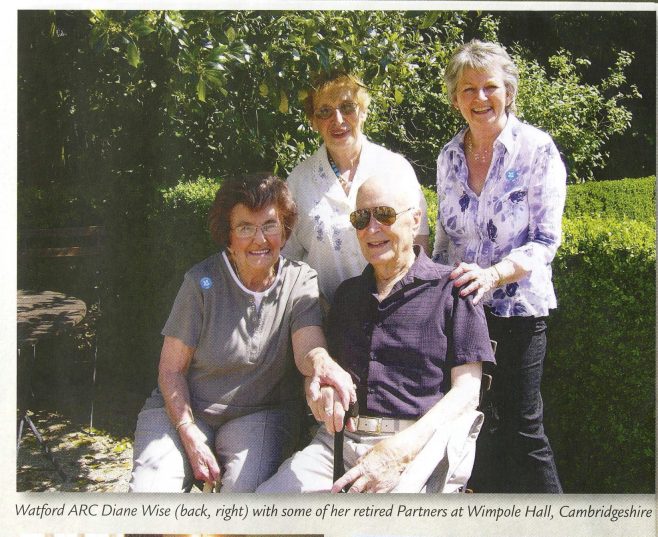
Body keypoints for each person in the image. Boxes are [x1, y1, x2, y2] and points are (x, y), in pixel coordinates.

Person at [257, 173, 495, 493]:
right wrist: (320, 392)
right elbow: (327, 373)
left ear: (414, 220)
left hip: (417, 449)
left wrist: (399, 450)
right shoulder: (348, 295)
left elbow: (467, 392)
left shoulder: (454, 290)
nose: (371, 229)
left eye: (384, 215)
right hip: (337, 445)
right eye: (361, 218)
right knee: (267, 508)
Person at [129, 173, 353, 493]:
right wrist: (188, 432)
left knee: (241, 506)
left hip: (259, 414)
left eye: (270, 225)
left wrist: (321, 364)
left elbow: (308, 347)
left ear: (285, 230)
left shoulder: (300, 279)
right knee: (150, 499)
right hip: (182, 411)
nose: (259, 239)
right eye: (245, 227)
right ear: (228, 236)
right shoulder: (201, 283)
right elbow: (171, 369)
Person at [433, 39, 566, 493]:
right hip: (464, 314)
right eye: (468, 89)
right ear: (455, 99)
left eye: (490, 86)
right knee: (472, 432)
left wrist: (493, 275)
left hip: (519, 315)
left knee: (524, 432)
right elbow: (443, 239)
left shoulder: (538, 150)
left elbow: (546, 241)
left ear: (508, 92)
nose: (480, 98)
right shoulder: (447, 158)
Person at [283, 70, 430, 304]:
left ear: (363, 112)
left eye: (348, 107)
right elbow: (287, 261)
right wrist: (316, 311)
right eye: (324, 111)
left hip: (396, 310)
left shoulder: (396, 168)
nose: (338, 120)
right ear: (313, 122)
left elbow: (419, 242)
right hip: (325, 320)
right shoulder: (298, 181)